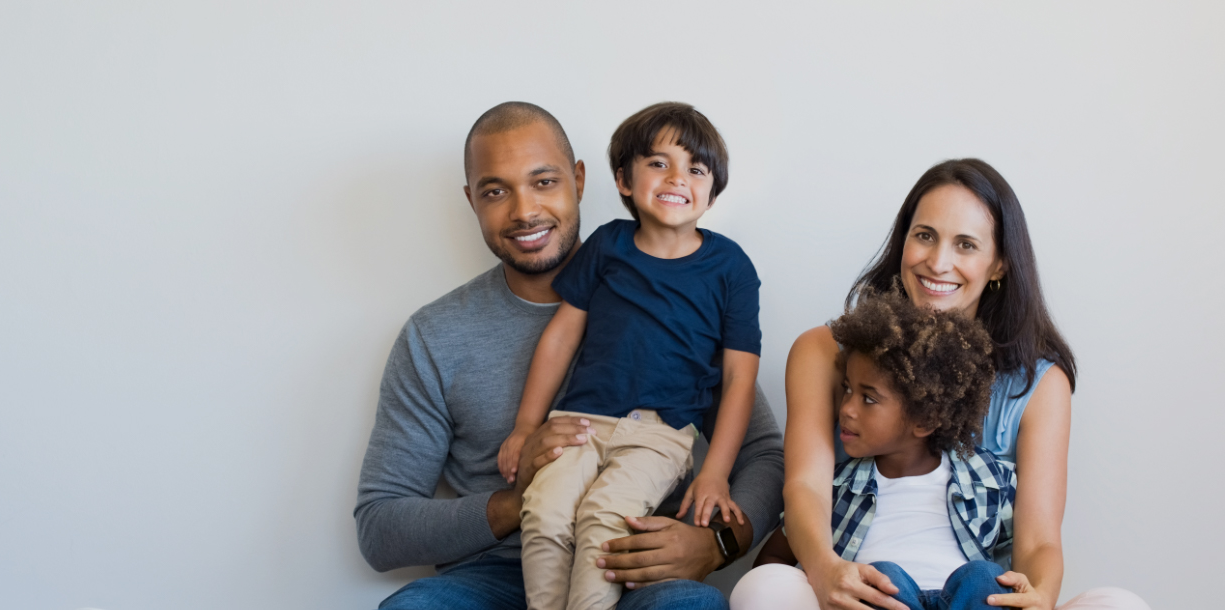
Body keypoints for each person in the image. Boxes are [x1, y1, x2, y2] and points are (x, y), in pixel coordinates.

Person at [354, 101, 786, 610]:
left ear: (579, 180)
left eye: (543, 182)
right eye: (496, 191)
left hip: (634, 570)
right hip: (488, 576)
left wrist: (714, 545)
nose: (523, 211)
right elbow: (380, 527)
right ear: (472, 201)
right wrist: (519, 503)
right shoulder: (434, 336)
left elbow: (764, 455)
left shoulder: (683, 294)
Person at [729, 159, 1149, 610]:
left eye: (965, 244)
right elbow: (806, 487)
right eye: (925, 235)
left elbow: (1039, 538)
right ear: (903, 239)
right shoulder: (824, 350)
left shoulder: (1039, 384)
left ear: (1000, 264)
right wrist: (826, 569)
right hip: (860, 590)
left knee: (1119, 604)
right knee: (764, 587)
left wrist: (1041, 596)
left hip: (975, 596)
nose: (938, 262)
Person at [496, 102, 761, 610]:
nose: (677, 177)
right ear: (623, 179)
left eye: (696, 169)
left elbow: (739, 379)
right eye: (659, 163)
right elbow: (560, 337)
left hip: (658, 435)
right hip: (578, 422)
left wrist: (715, 472)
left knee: (605, 519)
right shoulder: (607, 245)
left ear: (711, 192)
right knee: (545, 510)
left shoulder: (730, 266)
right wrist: (527, 425)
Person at [744, 290, 1015, 610]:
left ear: (926, 420)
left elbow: (1023, 554)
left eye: (868, 399)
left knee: (986, 576)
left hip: (962, 601)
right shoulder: (836, 490)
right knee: (882, 577)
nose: (846, 409)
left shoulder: (989, 477)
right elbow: (774, 556)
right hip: (885, 599)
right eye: (847, 389)